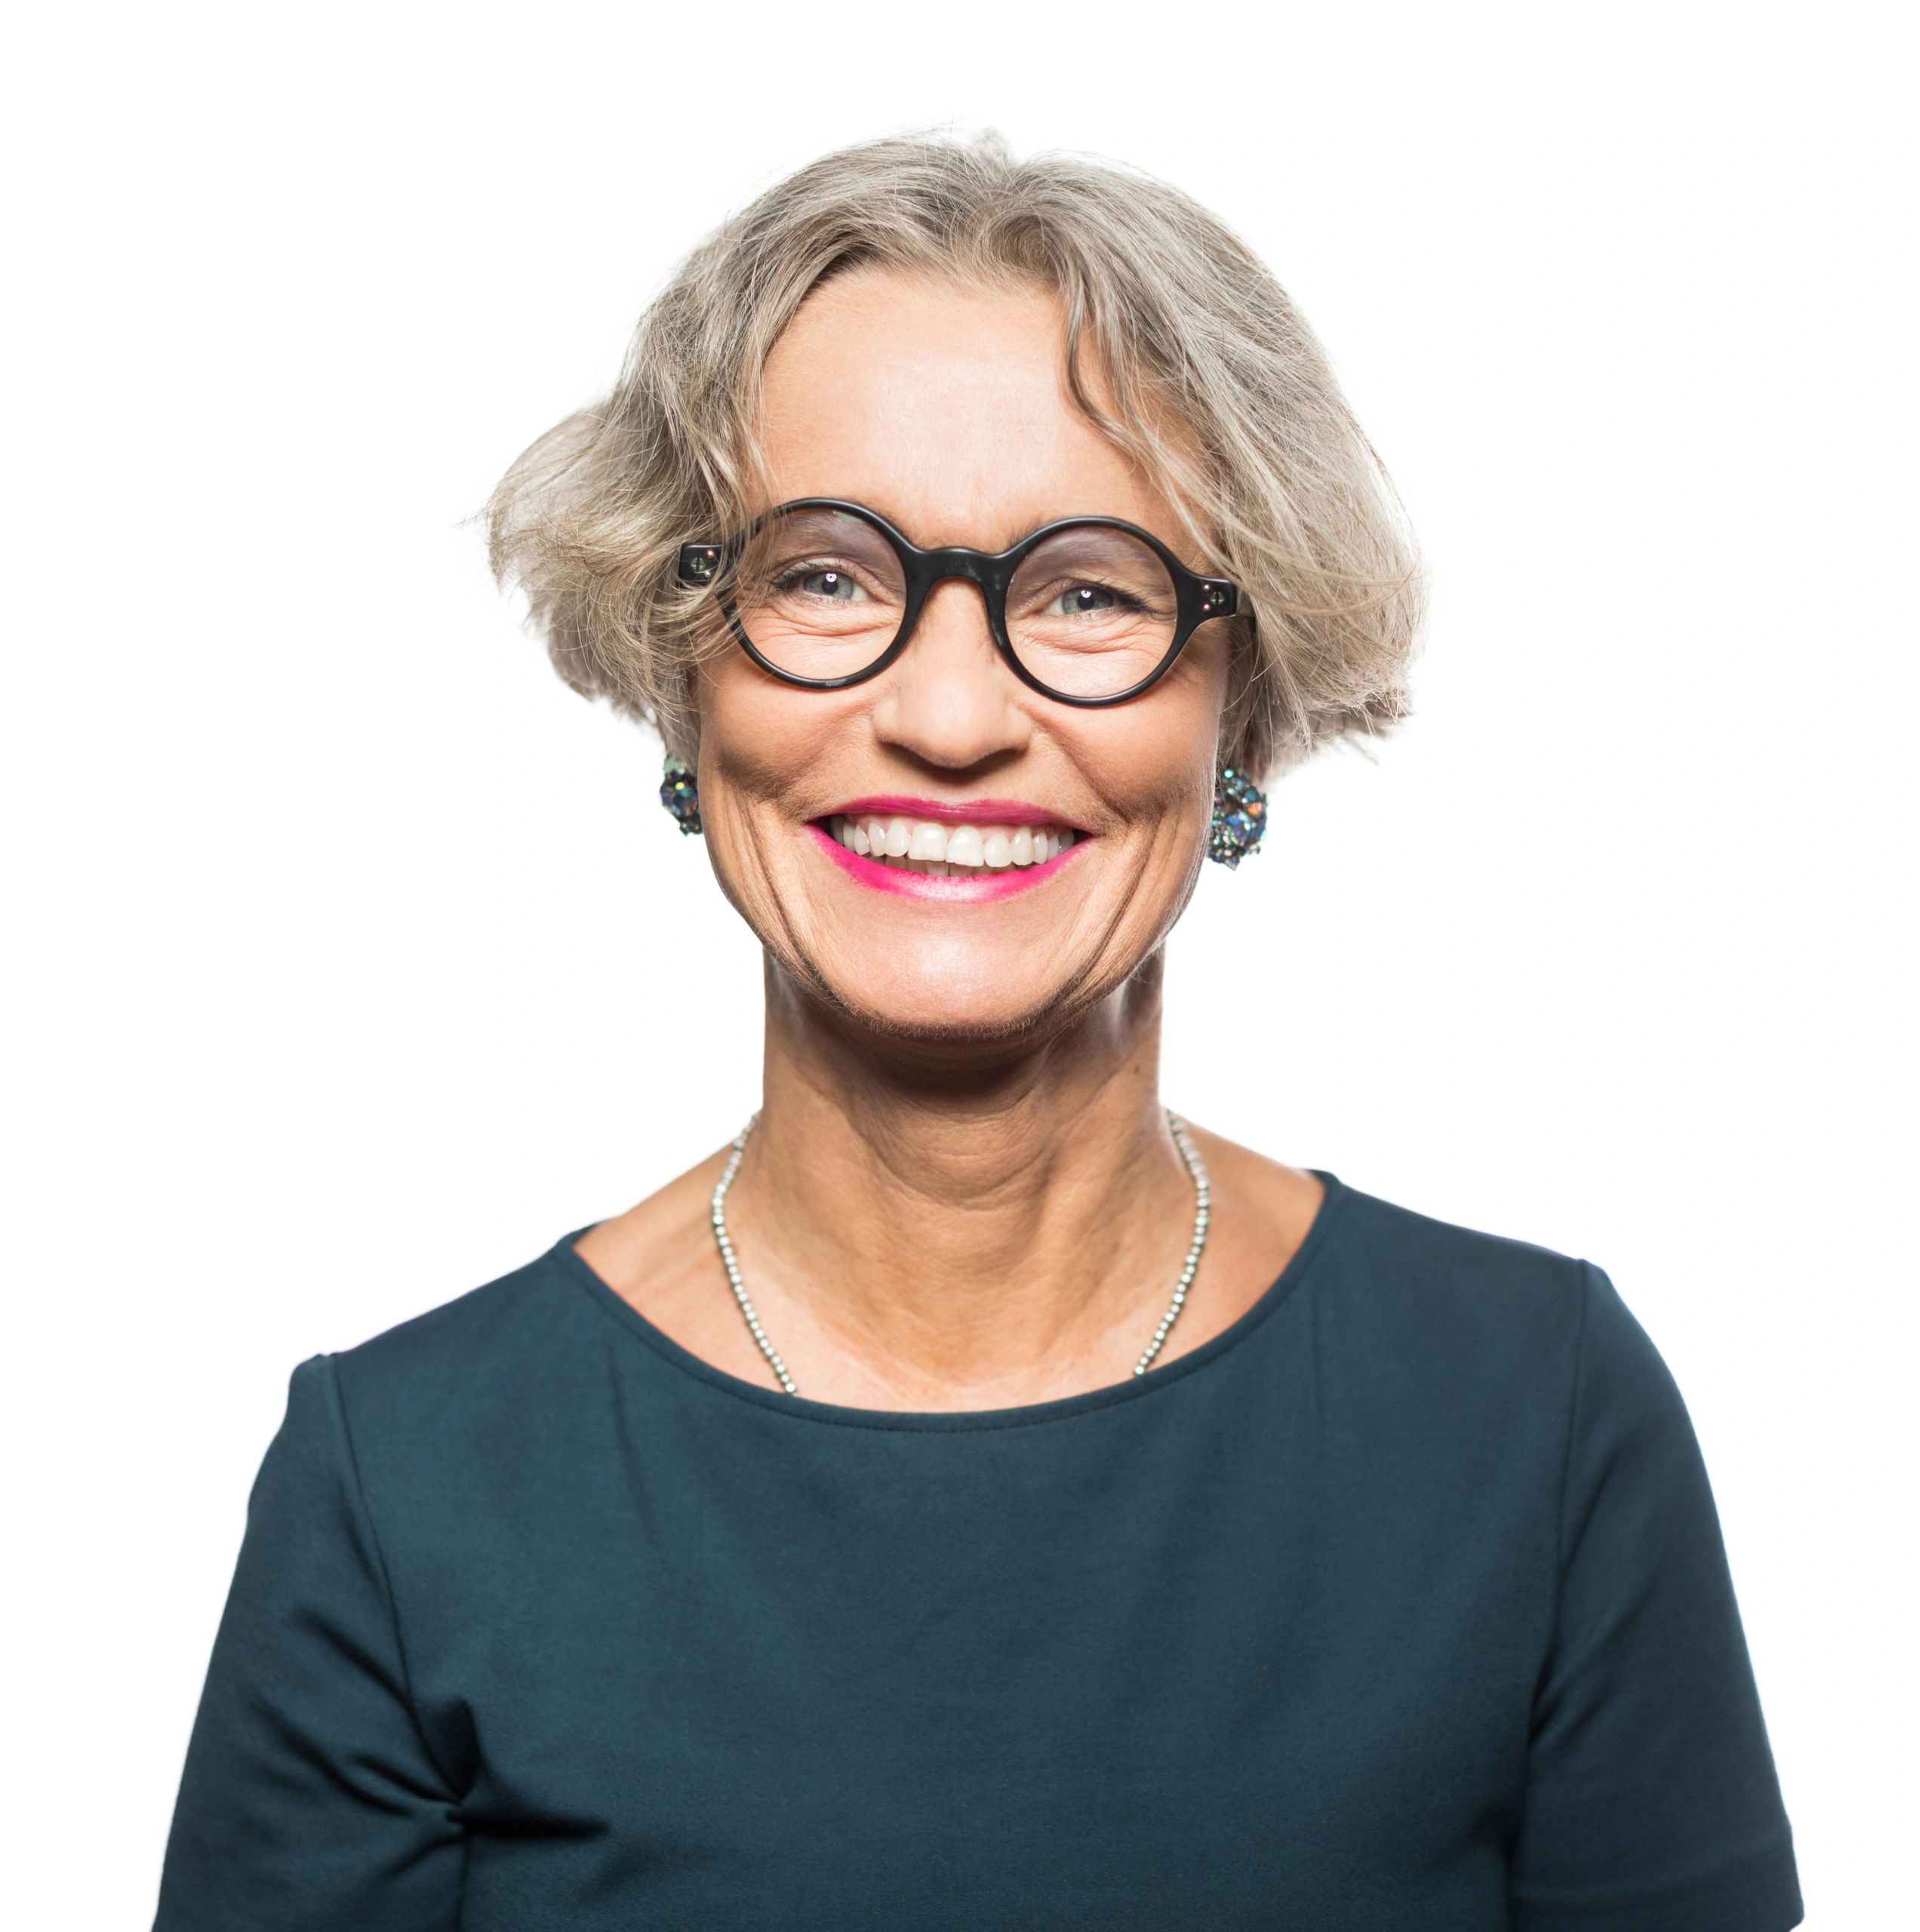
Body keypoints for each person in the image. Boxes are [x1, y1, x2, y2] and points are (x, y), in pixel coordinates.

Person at [152, 129, 1803, 1930]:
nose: (948, 712)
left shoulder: (1532, 1417)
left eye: (1089, 591)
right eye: (825, 575)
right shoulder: (403, 1485)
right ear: (680, 682)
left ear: (1236, 715)